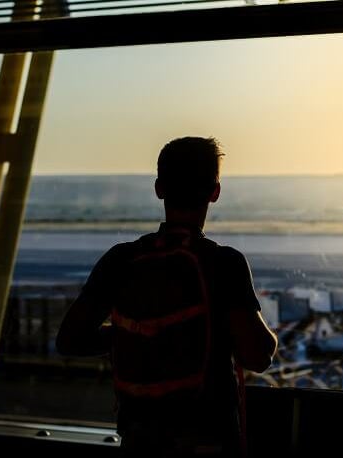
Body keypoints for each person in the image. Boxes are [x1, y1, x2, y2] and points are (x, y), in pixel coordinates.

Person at [56, 136, 278, 457]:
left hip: (139, 440)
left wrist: (137, 334)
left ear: (159, 189)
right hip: (208, 440)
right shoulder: (224, 263)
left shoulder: (121, 259)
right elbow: (258, 356)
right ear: (215, 192)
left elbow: (69, 340)